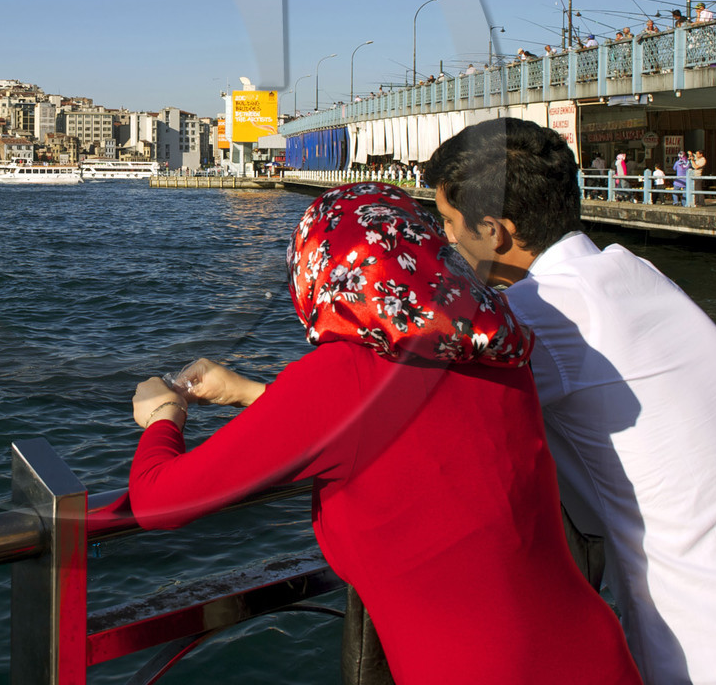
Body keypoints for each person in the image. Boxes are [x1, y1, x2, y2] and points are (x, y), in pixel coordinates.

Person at [117, 184, 641, 684]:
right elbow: (391, 430)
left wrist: (163, 414)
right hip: (595, 652)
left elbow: (161, 499)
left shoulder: (344, 376)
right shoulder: (492, 345)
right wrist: (251, 393)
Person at [423, 120, 716, 685]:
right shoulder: (633, 272)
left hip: (710, 658)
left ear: (496, 232)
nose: (446, 242)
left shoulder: (544, 315)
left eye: (449, 225)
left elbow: (407, 422)